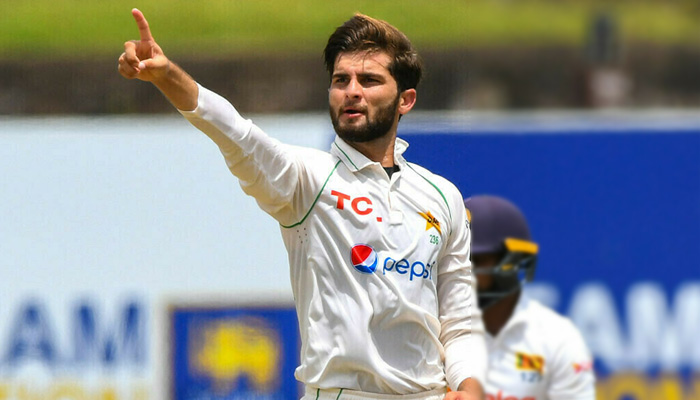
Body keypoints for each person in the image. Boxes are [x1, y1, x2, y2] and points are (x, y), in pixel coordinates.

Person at [118, 9, 487, 400]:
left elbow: (459, 324)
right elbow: (236, 134)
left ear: (405, 100)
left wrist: (470, 386)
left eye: (370, 80)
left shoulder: (442, 195)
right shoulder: (308, 177)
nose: (352, 91)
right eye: (341, 80)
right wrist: (165, 74)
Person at [463, 195, 595, 400]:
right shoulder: (430, 329)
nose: (462, 271)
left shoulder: (558, 339)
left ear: (512, 262)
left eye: (475, 260)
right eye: (457, 259)